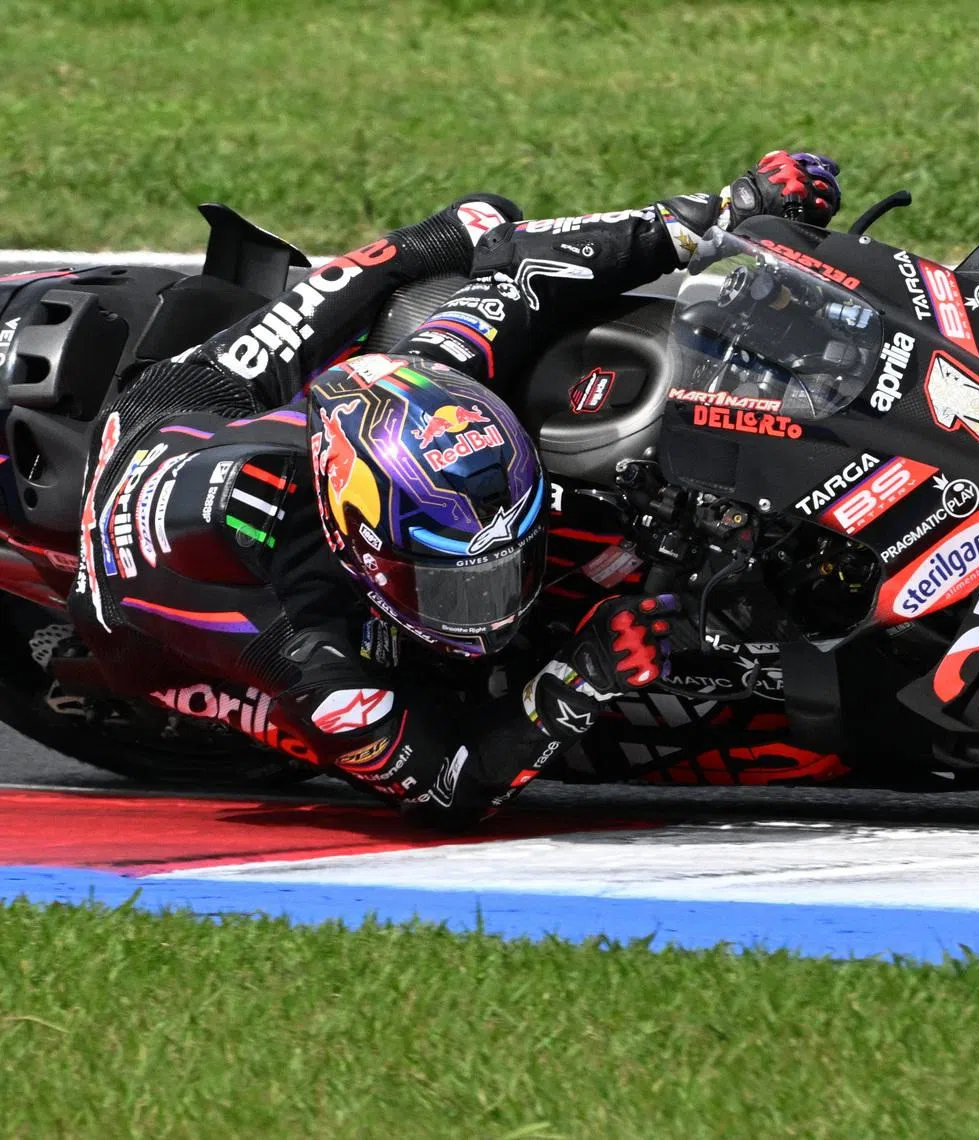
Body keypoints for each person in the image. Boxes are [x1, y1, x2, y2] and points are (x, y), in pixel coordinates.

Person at [65, 150, 842, 824]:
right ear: (360, 552)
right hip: (139, 553)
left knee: (460, 234)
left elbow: (525, 266)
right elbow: (448, 788)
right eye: (459, 591)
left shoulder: (444, 367)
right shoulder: (313, 653)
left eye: (503, 573)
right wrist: (582, 674)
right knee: (416, 701)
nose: (495, 609)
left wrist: (727, 209)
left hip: (242, 428)